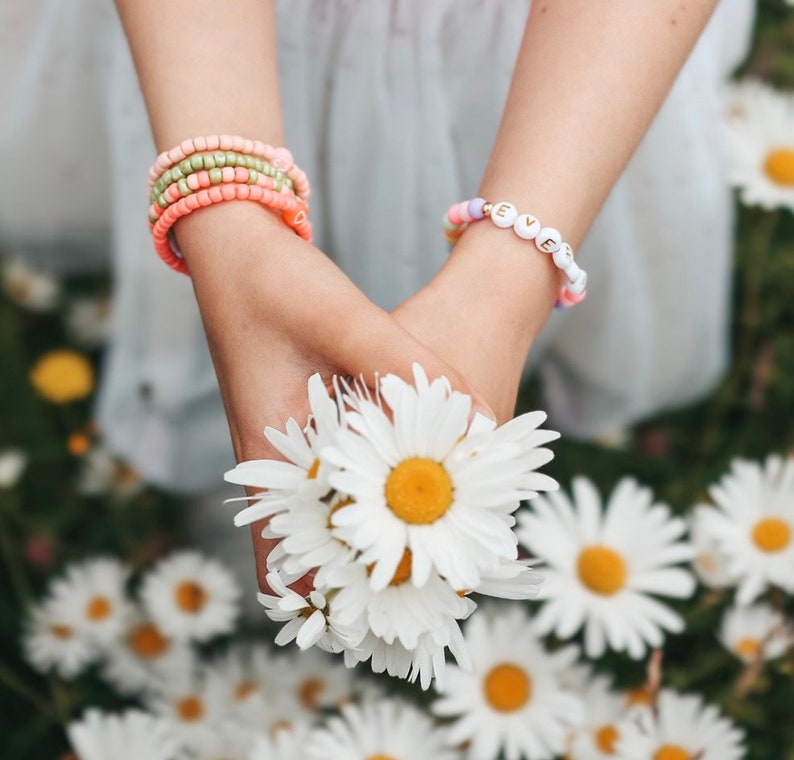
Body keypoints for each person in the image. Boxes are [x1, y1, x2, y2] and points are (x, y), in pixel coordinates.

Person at [0, 1, 755, 591]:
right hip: (213, 41)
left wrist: (516, 264)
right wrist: (230, 220)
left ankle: (489, 381)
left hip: (575, 54)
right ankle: (267, 461)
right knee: (257, 336)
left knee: (500, 297)